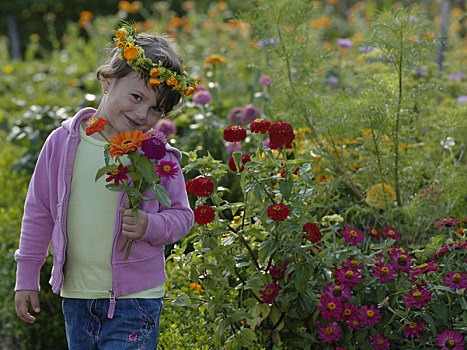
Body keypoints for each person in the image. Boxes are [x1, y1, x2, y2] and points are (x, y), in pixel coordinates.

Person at [14, 23, 197, 349]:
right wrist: (27, 275)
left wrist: (149, 225)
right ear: (108, 81)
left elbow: (182, 216)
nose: (143, 113)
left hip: (135, 300)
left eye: (156, 108)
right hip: (77, 297)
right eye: (136, 97)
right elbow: (39, 210)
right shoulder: (63, 143)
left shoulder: (155, 157)